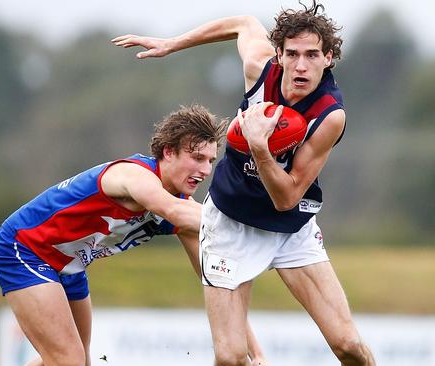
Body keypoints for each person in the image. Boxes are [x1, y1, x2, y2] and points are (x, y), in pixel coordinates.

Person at [112, 2, 376, 365]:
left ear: (328, 58)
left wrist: (259, 148)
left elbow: (286, 199)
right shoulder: (260, 69)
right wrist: (173, 43)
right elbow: (242, 23)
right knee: (231, 357)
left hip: (290, 226)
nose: (301, 65)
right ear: (279, 55)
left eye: (313, 54)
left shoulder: (329, 116)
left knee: (349, 345)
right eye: (293, 54)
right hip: (230, 222)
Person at [0, 104, 265, 366]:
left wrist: (257, 353)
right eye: (197, 158)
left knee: (77, 360)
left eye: (210, 160)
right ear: (168, 152)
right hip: (23, 249)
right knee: (68, 359)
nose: (205, 170)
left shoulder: (181, 205)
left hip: (69, 264)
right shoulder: (137, 178)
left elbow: (218, 280)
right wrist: (251, 225)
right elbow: (173, 211)